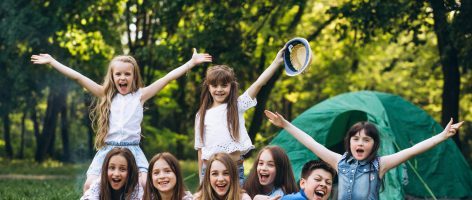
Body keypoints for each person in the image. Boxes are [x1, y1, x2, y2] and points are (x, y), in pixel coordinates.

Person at [31, 49, 212, 192]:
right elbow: (78, 77)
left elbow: (168, 77)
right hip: (108, 149)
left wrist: (191, 62)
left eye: (127, 74)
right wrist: (52, 62)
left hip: (132, 150)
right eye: (118, 74)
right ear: (113, 77)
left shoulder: (141, 95)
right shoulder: (105, 94)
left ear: (134, 76)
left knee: (143, 183)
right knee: (90, 186)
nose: (123, 78)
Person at [265, 110, 464, 199]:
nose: (360, 143)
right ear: (349, 142)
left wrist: (442, 136)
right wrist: (285, 124)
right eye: (356, 139)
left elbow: (411, 150)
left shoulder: (380, 164)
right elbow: (311, 142)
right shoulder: (340, 162)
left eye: (366, 140)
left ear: (373, 145)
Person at [194, 46, 286, 184]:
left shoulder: (237, 106)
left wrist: (276, 62)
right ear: (208, 87)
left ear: (231, 86)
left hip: (234, 171)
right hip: (209, 172)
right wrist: (202, 180)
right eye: (215, 85)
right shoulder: (201, 115)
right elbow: (201, 150)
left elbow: (259, 83)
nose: (219, 89)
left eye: (224, 85)